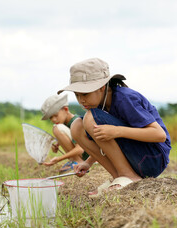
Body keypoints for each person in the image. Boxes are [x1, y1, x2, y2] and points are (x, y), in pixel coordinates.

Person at [57, 58, 171, 197]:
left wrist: (117, 131)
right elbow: (105, 140)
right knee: (77, 126)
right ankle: (118, 177)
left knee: (89, 118)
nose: (81, 100)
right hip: (134, 156)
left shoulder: (125, 98)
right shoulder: (99, 102)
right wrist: (88, 163)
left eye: (85, 94)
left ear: (102, 87)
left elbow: (159, 135)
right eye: (77, 95)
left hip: (152, 158)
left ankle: (128, 176)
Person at [40, 94, 89, 173]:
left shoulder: (76, 122)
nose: (53, 119)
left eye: (55, 115)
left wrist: (58, 159)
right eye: (51, 117)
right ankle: (75, 160)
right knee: (56, 127)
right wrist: (59, 143)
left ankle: (77, 161)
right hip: (86, 155)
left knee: (56, 128)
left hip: (88, 156)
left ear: (66, 109)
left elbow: (80, 149)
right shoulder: (65, 124)